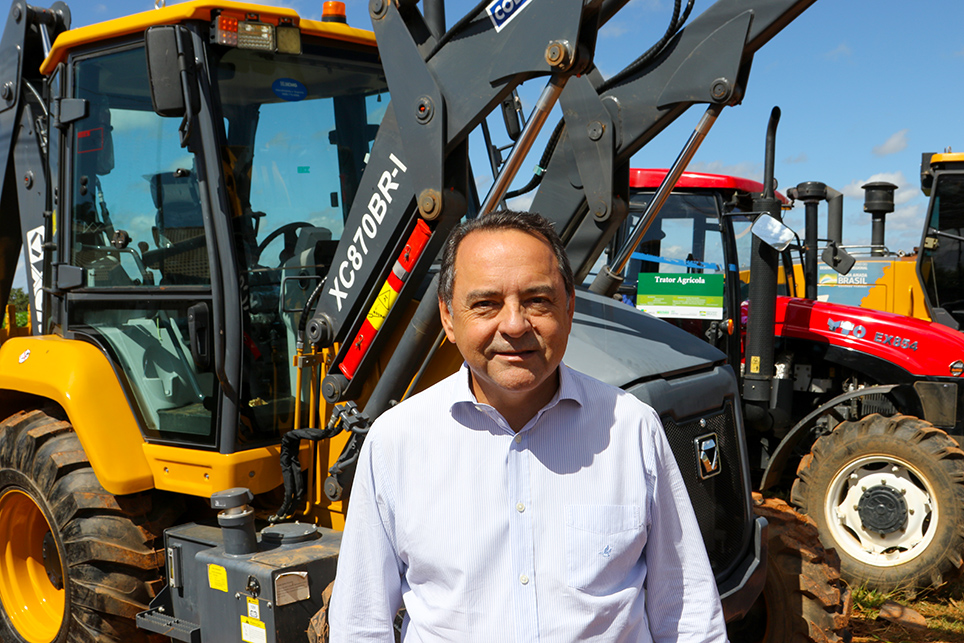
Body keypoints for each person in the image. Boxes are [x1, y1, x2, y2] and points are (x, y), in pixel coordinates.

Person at [329, 211, 728, 642]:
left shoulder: (631, 428)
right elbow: (361, 623)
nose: (515, 324)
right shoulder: (396, 442)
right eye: (485, 304)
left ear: (569, 308)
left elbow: (686, 613)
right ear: (447, 317)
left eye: (538, 301)